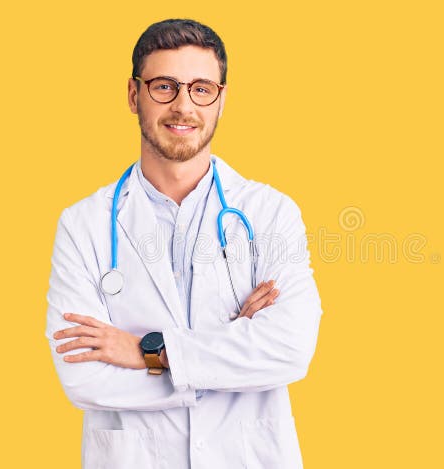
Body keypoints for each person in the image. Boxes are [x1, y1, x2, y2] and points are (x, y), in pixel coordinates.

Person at [44, 19, 323, 469]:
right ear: (134, 95)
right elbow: (84, 378)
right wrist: (233, 349)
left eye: (201, 88)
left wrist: (145, 353)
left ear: (221, 99)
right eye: (164, 87)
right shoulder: (84, 225)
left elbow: (290, 350)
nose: (183, 105)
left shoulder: (271, 213)